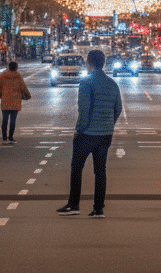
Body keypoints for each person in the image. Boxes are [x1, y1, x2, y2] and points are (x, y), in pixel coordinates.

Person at [57, 49, 122, 218]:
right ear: (104, 63)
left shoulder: (86, 83)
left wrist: (79, 130)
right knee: (100, 171)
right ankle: (98, 209)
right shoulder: (112, 84)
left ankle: (74, 205)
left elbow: (83, 110)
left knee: (76, 169)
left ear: (89, 63)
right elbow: (118, 108)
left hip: (87, 134)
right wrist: (109, 124)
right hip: (105, 134)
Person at [0, 60, 31, 144]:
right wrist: (28, 95)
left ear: (8, 67)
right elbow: (23, 87)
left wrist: (1, 95)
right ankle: (10, 137)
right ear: (16, 68)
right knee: (13, 120)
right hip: (15, 100)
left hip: (5, 100)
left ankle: (4, 137)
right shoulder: (18, 76)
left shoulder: (3, 75)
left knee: (4, 119)